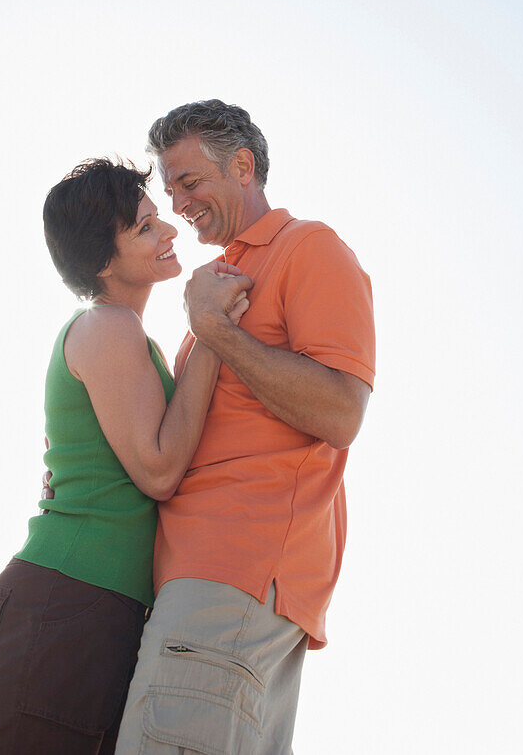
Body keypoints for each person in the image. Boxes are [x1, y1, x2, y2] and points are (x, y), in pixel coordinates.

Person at [0, 158, 251, 755]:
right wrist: (211, 333)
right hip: (65, 605)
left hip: (91, 611)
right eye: (146, 228)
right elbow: (159, 471)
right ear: (102, 262)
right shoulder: (106, 326)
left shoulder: (129, 336)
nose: (169, 231)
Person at [115, 100, 376, 755]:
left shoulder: (306, 249)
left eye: (189, 181)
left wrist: (215, 332)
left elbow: (341, 412)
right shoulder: (222, 280)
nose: (178, 203)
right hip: (212, 590)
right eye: (169, 189)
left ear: (242, 165)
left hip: (229, 579)